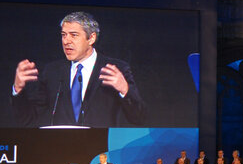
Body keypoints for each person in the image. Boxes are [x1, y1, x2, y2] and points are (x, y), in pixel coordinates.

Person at [11, 11, 145, 128]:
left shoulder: (116, 69)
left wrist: (124, 89)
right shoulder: (52, 72)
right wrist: (18, 89)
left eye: (73, 35)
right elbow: (27, 119)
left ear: (91, 38)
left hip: (100, 148)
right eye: (64, 35)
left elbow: (139, 117)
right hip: (62, 147)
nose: (66, 41)